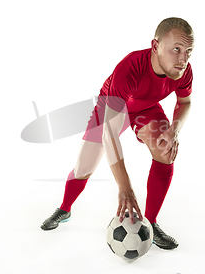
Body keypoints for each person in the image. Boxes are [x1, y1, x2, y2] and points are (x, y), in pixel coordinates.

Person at [41, 17, 194, 250]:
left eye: (188, 51)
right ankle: (64, 209)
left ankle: (151, 224)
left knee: (165, 150)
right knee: (84, 167)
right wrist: (125, 188)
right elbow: (110, 133)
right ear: (155, 46)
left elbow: (185, 101)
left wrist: (174, 130)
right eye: (176, 49)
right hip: (112, 108)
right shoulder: (130, 68)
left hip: (146, 108)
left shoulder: (183, 70)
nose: (183, 59)